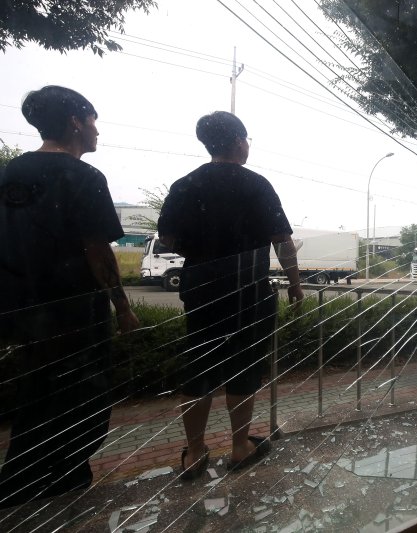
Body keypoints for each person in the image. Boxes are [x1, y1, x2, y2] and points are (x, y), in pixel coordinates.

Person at [0, 86, 139, 508]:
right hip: (74, 311)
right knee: (85, 399)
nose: (98, 132)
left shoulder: (10, 174)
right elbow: (98, 252)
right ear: (76, 122)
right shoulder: (84, 178)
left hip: (21, 312)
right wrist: (123, 308)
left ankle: (29, 484)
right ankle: (55, 485)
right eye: (93, 121)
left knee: (37, 394)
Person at [158, 111, 303, 480]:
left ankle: (194, 452)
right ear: (239, 141)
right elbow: (283, 242)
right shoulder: (256, 185)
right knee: (244, 366)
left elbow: (168, 241)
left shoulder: (184, 185)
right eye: (247, 139)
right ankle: (240, 447)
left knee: (200, 366)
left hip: (201, 291)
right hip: (247, 292)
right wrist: (295, 284)